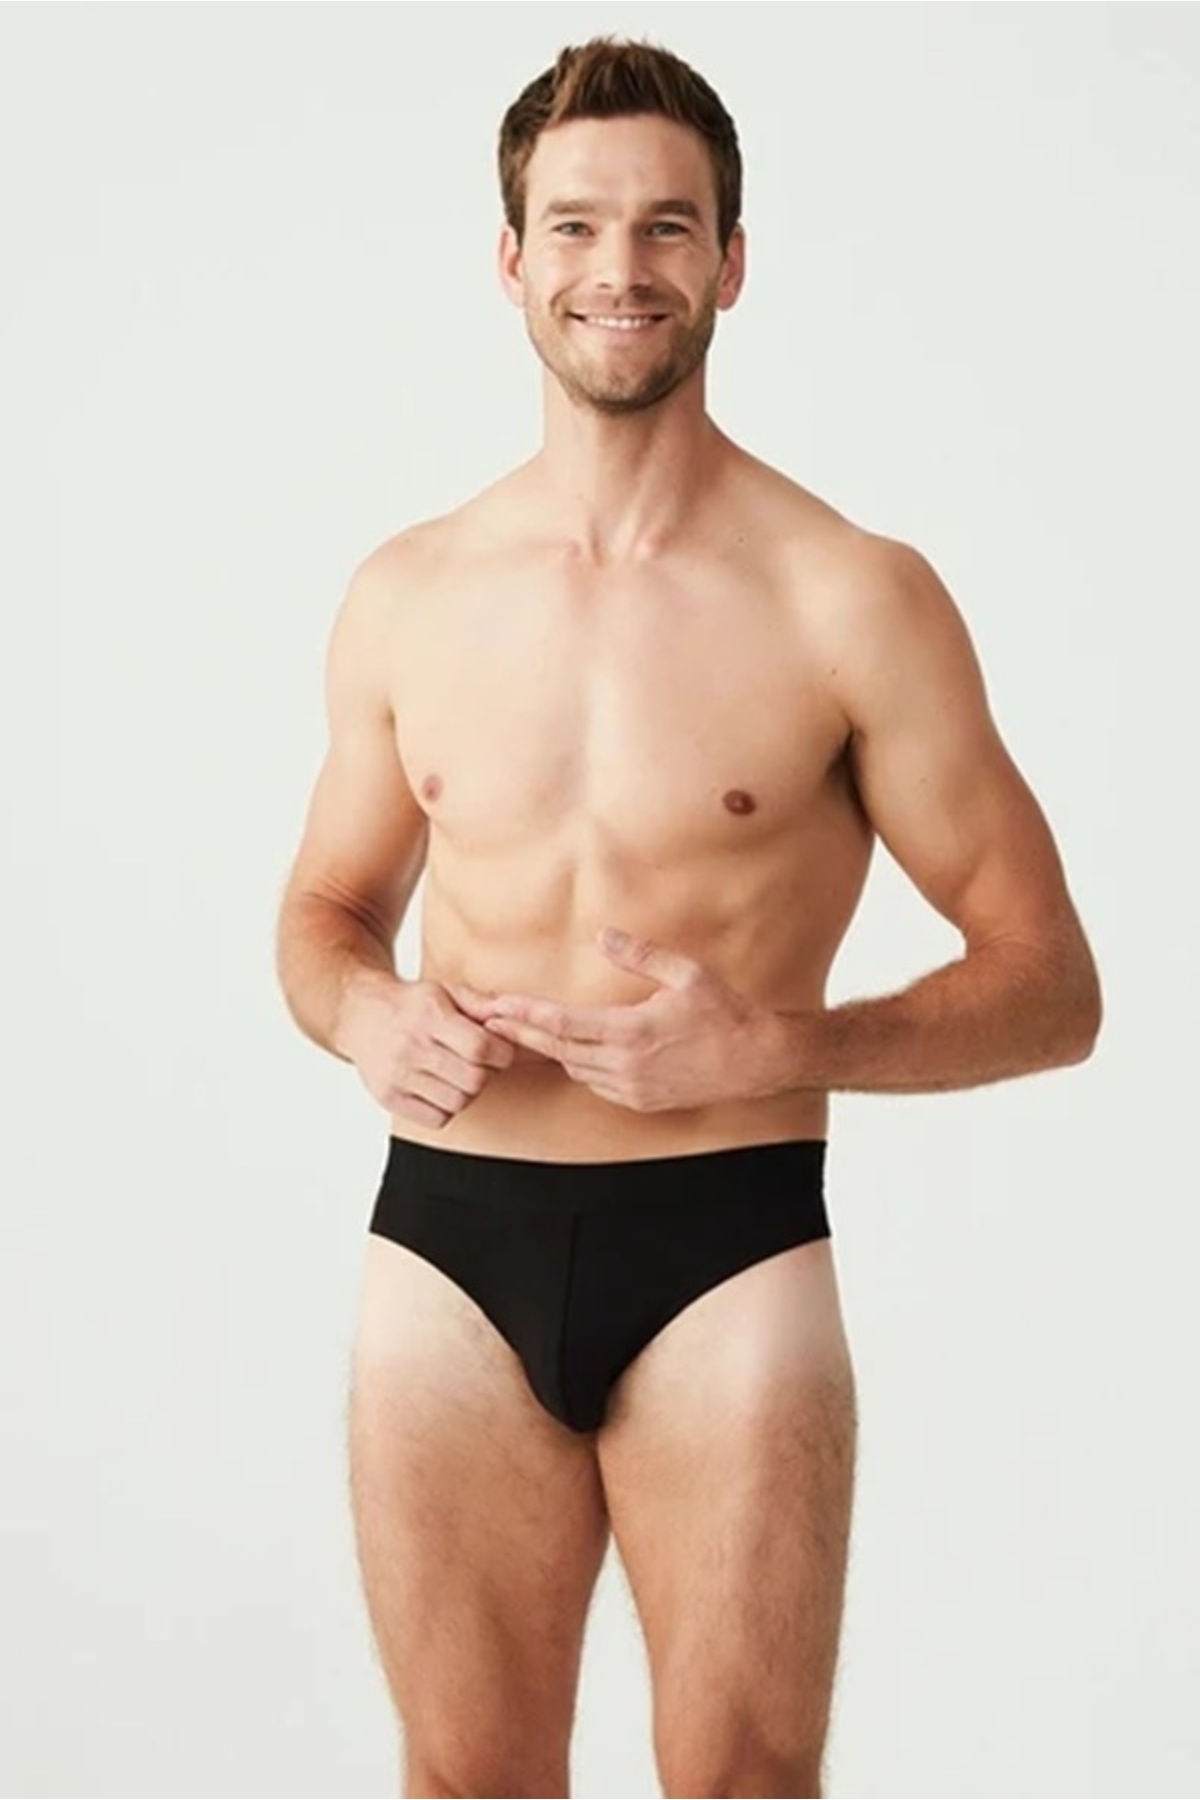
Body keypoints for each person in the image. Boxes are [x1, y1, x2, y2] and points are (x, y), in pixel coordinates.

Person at [274, 34, 1102, 1800]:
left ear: (730, 262)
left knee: (744, 1781)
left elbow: (1052, 985)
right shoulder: (409, 594)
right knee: (465, 1779)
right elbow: (324, 912)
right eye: (577, 226)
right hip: (446, 1241)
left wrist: (778, 1044)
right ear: (513, 260)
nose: (621, 269)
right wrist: (362, 1012)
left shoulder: (851, 598)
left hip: (726, 1244)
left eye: (667, 226)